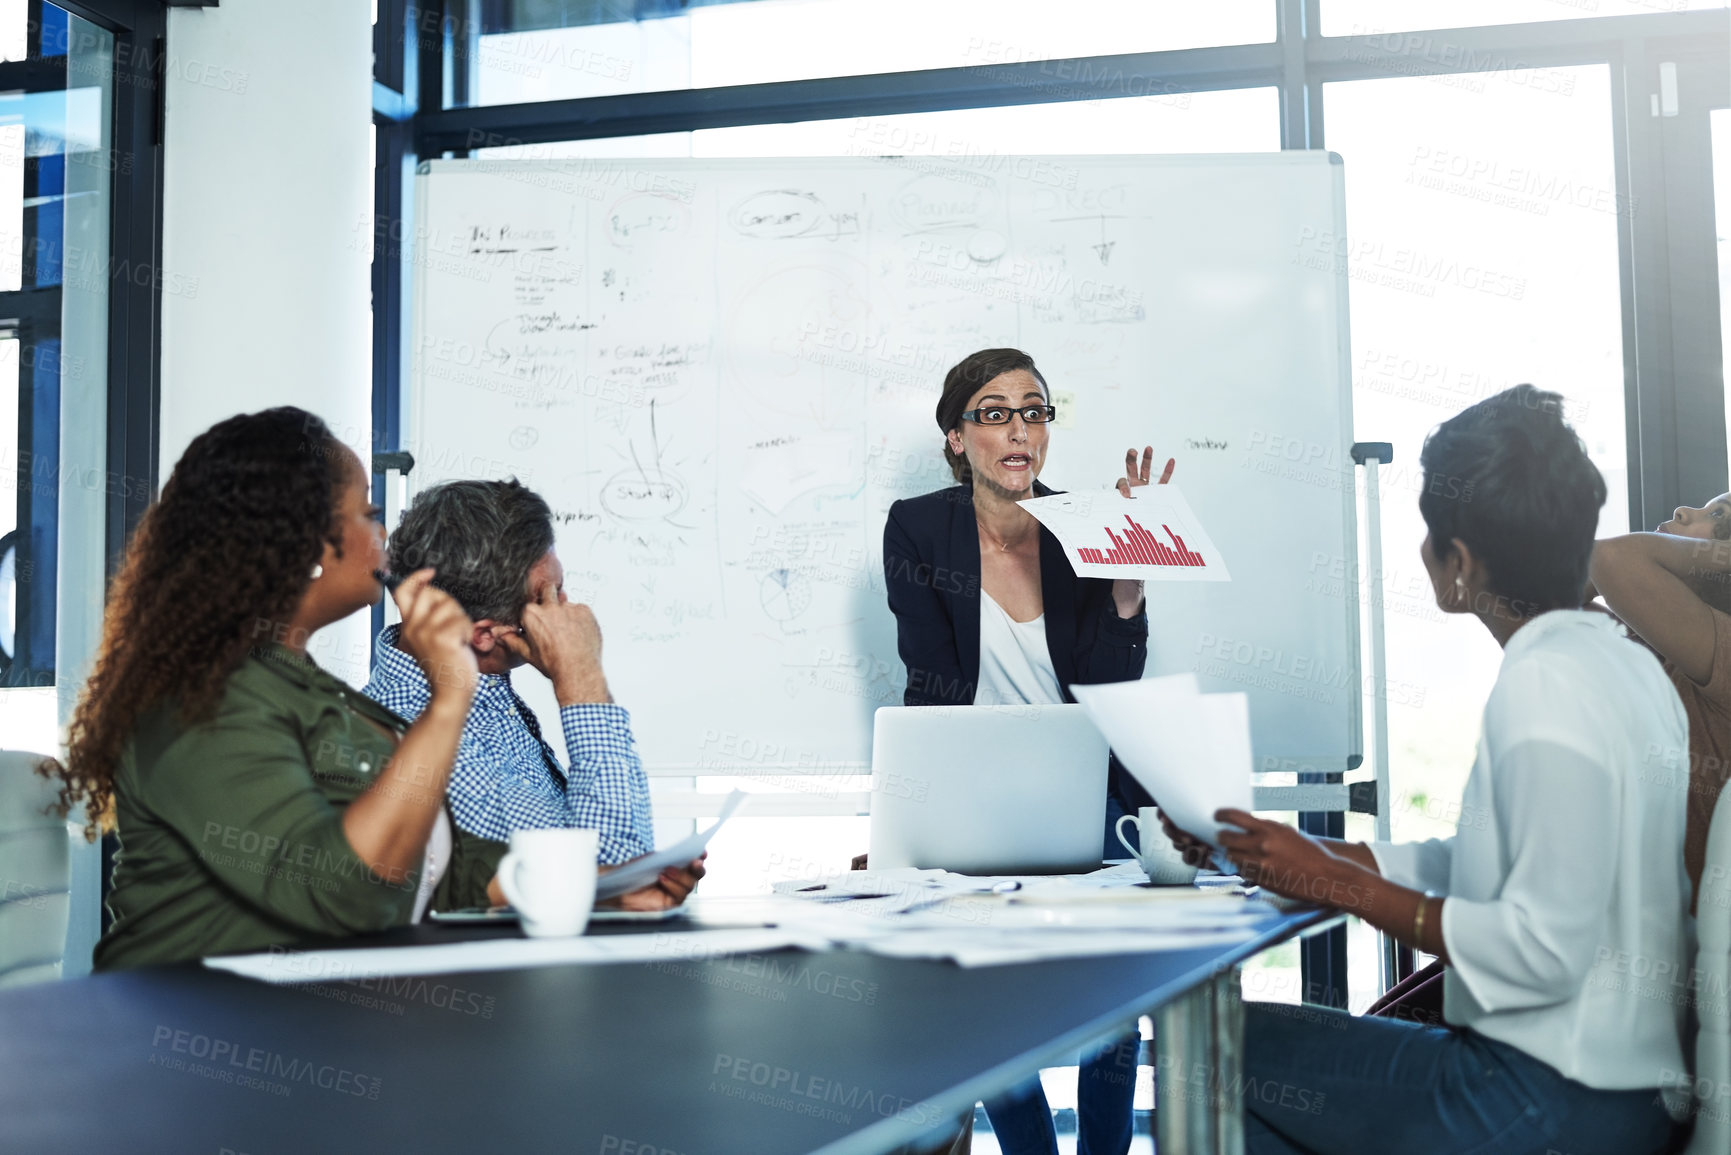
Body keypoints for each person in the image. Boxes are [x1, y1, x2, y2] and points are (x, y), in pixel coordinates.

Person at [1163, 385, 1690, 1154]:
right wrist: (1319, 858)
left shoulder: (1545, 686)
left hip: (1547, 1097)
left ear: (1460, 564)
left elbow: (1540, 950)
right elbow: (1503, 866)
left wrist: (1340, 884)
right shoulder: (1622, 660)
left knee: (1207, 1048)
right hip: (1620, 1093)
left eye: (1427, 533)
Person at [41, 408, 487, 970]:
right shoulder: (202, 704)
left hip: (316, 1023)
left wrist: (609, 887)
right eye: (370, 514)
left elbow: (433, 869)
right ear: (314, 546)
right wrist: (448, 700)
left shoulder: (308, 688)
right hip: (193, 1032)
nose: (384, 538)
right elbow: (347, 895)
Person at [881, 348, 1171, 1155]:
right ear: (955, 436)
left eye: (1035, 410)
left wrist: (1127, 582)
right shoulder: (917, 526)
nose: (1019, 427)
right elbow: (928, 679)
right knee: (982, 998)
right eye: (995, 410)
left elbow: (1111, 686)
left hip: (1086, 787)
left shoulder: (1085, 523)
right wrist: (919, 825)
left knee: (1109, 997)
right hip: (970, 791)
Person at [363, 479, 700, 900]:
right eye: (552, 596)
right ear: (487, 634)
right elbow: (610, 877)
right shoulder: (424, 741)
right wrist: (580, 678)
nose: (569, 611)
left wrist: (650, 879)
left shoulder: (487, 697)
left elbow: (623, 877)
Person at [1589, 491, 1731, 911]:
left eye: (1717, 515)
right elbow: (1548, 607)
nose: (1682, 510)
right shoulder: (1666, 651)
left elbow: (1613, 560)